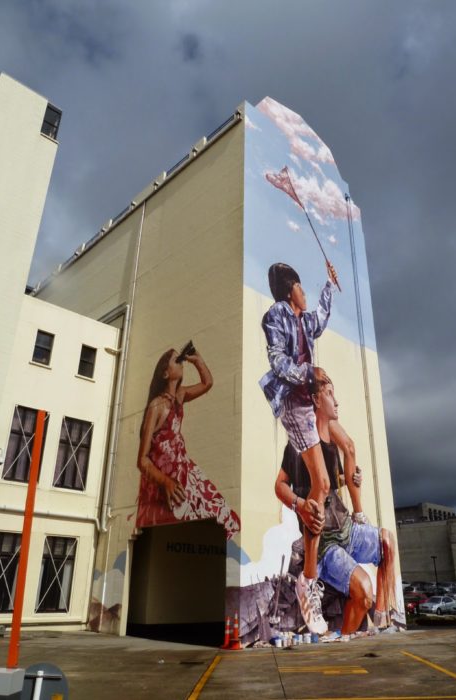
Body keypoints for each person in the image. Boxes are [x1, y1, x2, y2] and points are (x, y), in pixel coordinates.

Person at [275, 378, 400, 640]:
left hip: (347, 529)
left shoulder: (331, 441)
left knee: (386, 540)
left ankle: (383, 617)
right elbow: (280, 486)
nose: (337, 400)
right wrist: (299, 505)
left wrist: (353, 483)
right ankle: (344, 638)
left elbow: (339, 474)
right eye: (330, 394)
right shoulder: (297, 447)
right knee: (363, 591)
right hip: (326, 544)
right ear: (316, 401)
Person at [259, 261, 343, 634]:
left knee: (321, 488)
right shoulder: (274, 315)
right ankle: (308, 579)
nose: (305, 294)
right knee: (318, 486)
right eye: (303, 288)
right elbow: (277, 362)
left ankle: (308, 570)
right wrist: (310, 374)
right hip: (292, 401)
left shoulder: (304, 318)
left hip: (308, 400)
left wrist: (329, 283)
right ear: (289, 287)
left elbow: (321, 318)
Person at [136, 347, 240, 539]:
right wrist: (165, 482)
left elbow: (207, 383)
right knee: (180, 530)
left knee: (219, 514)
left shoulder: (180, 395)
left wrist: (197, 360)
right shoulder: (156, 406)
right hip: (165, 479)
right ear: (166, 373)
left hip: (184, 469)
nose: (181, 362)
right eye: (177, 361)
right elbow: (142, 460)